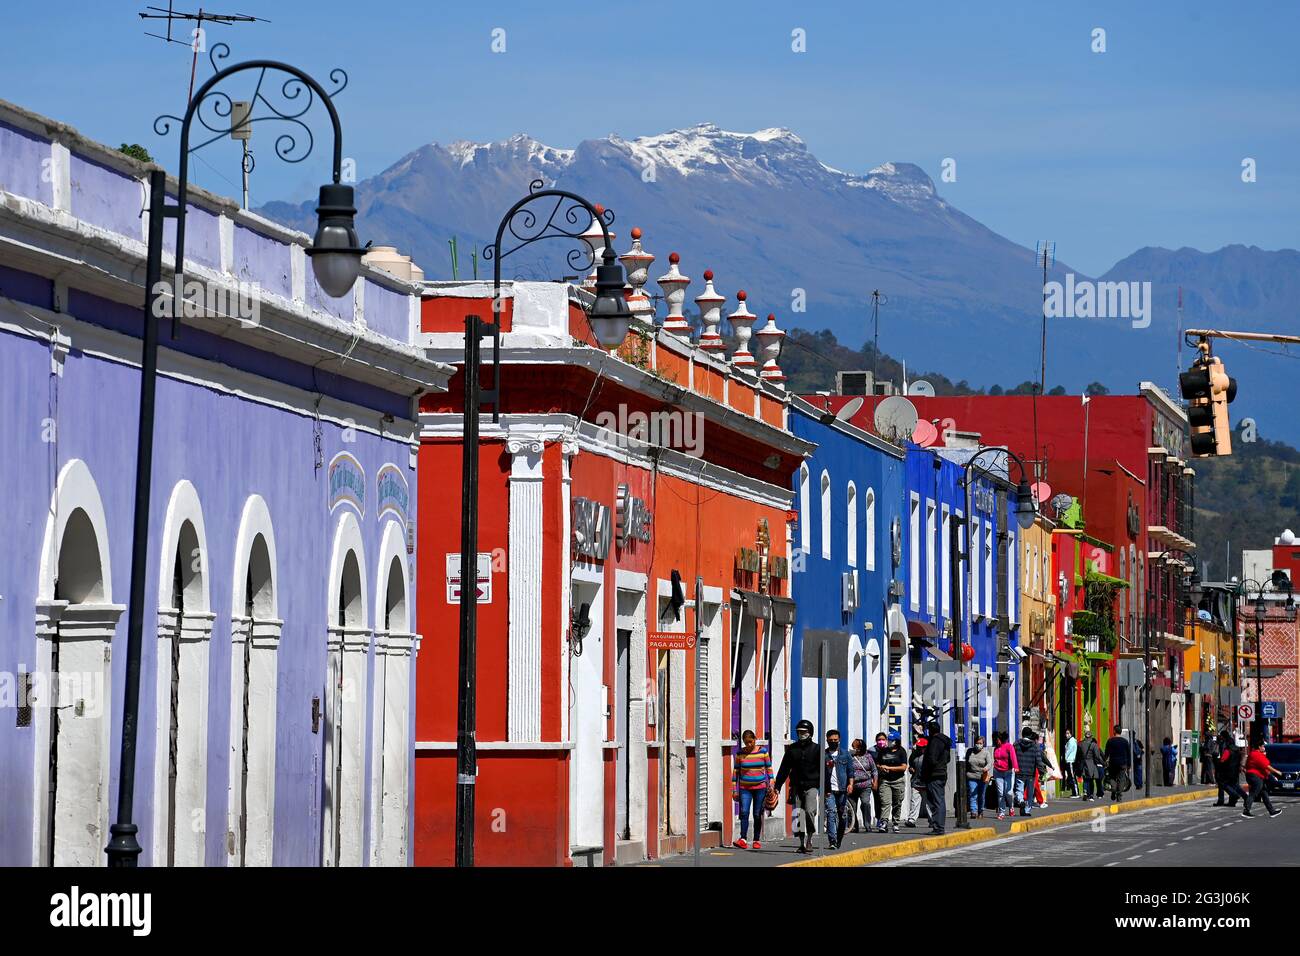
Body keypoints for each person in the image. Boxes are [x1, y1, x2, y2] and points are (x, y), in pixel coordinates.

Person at [774, 718, 822, 854]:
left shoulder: (817, 749)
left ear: (810, 732)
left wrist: (826, 789)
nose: (802, 734)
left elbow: (823, 770)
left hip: (812, 786)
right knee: (798, 814)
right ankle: (801, 842)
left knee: (809, 811)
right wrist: (778, 785)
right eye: (799, 732)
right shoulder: (792, 749)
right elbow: (784, 768)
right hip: (796, 786)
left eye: (804, 732)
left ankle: (810, 838)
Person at [731, 729, 773, 850]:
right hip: (745, 788)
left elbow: (768, 767)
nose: (749, 745)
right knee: (744, 812)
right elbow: (736, 772)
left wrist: (771, 780)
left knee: (757, 814)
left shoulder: (763, 752)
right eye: (746, 742)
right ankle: (743, 839)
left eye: (750, 741)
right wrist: (734, 789)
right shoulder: (740, 754)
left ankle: (756, 839)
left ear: (755, 739)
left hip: (760, 788)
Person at [920, 719, 952, 834]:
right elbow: (948, 759)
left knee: (937, 801)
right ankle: (938, 826)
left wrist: (926, 770)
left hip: (934, 775)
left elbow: (931, 759)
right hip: (941, 773)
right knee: (939, 800)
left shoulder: (935, 741)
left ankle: (938, 827)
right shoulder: (944, 741)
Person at [823, 729, 852, 849]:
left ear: (839, 740)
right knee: (831, 813)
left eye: (835, 740)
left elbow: (851, 771)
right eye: (831, 740)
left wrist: (850, 784)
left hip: (842, 790)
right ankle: (832, 840)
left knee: (843, 815)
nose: (833, 742)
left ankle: (839, 838)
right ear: (827, 740)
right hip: (829, 790)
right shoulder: (823, 755)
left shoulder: (845, 754)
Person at [875, 731, 909, 833]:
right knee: (885, 802)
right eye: (888, 740)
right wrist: (881, 767)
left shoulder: (901, 751)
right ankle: (884, 822)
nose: (888, 742)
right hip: (885, 780)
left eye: (891, 740)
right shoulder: (883, 751)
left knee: (897, 803)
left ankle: (895, 823)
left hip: (898, 781)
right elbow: (877, 764)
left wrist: (889, 768)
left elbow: (903, 767)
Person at [1241, 739, 1284, 819]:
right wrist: (1277, 772)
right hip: (1255, 777)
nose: (1264, 747)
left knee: (1264, 794)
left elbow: (1263, 769)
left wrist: (1271, 775)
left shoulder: (1256, 754)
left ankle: (1272, 811)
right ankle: (1246, 810)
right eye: (1263, 746)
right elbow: (1266, 766)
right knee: (1254, 792)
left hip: (1257, 776)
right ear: (1259, 747)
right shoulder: (1257, 755)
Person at [846, 739, 878, 833]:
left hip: (865, 785)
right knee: (851, 807)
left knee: (865, 803)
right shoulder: (849, 756)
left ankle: (867, 825)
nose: (854, 749)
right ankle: (853, 826)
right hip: (852, 785)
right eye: (853, 746)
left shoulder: (868, 756)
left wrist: (875, 782)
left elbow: (874, 770)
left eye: (856, 747)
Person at [1013, 727, 1043, 816]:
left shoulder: (1016, 744)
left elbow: (1013, 758)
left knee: (1019, 789)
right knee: (1030, 793)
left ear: (1022, 734)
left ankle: (1021, 801)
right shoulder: (1035, 745)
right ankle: (1026, 810)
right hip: (1031, 772)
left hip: (1019, 771)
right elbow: (1038, 759)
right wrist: (1041, 771)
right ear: (1030, 735)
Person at [1216, 731, 1248, 807]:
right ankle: (1244, 797)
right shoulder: (1237, 750)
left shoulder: (1227, 751)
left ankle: (1234, 795)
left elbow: (1222, 760)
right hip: (1235, 770)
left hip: (1227, 770)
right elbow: (1242, 756)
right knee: (1235, 785)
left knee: (1224, 784)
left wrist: (1218, 764)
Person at [992, 730, 1019, 820]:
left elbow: (1013, 756)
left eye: (997, 739)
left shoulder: (1008, 746)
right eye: (995, 740)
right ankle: (1002, 812)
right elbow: (995, 759)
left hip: (1008, 772)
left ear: (1001, 739)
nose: (996, 742)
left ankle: (1011, 807)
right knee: (1000, 793)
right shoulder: (995, 749)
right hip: (998, 772)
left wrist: (1015, 767)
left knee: (1008, 792)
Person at [1103, 724, 1132, 802]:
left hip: (1113, 763)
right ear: (1121, 732)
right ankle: (1119, 795)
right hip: (1122, 763)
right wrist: (1129, 765)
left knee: (1112, 777)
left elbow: (1106, 753)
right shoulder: (1125, 742)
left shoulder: (1110, 741)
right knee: (1121, 779)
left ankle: (1113, 789)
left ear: (1114, 731)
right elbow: (1129, 754)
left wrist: (1105, 761)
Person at [966, 735, 991, 818]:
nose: (978, 745)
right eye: (977, 743)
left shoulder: (986, 752)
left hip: (982, 777)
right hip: (971, 776)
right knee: (973, 794)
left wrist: (986, 768)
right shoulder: (970, 751)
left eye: (980, 743)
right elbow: (966, 762)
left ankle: (980, 810)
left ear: (983, 744)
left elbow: (989, 763)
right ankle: (973, 811)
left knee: (981, 795)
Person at [906, 734, 928, 828]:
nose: (919, 749)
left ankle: (932, 820)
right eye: (918, 747)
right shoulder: (914, 755)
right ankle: (912, 819)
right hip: (916, 781)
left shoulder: (929, 756)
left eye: (921, 747)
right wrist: (911, 768)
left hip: (926, 782)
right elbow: (910, 764)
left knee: (929, 803)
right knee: (914, 801)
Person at [1079, 729, 1105, 801]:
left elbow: (1078, 755)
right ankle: (1090, 795)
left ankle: (1085, 792)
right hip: (1091, 764)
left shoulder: (1080, 744)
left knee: (1085, 779)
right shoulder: (1094, 745)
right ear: (1091, 737)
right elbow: (1097, 756)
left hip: (1083, 763)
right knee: (1091, 779)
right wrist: (1103, 763)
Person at [870, 732, 888, 824]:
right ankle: (879, 819)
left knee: (885, 800)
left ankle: (885, 818)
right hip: (876, 779)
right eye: (879, 740)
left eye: (883, 739)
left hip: (887, 779)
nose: (881, 741)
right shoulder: (871, 751)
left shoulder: (889, 750)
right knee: (877, 800)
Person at [1062, 729, 1079, 797]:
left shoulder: (1071, 741)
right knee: (1071, 777)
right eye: (1066, 733)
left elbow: (1068, 751)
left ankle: (1075, 792)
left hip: (1070, 761)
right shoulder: (1070, 741)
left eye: (1068, 733)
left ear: (1071, 734)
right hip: (1069, 761)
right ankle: (1074, 792)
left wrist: (1065, 758)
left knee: (1072, 777)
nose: (1067, 735)